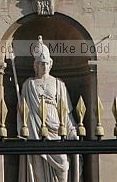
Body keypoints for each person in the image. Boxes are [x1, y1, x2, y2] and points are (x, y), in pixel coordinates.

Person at [18, 37, 80, 182]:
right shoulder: (29, 85)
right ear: (36, 65)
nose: (44, 67)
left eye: (46, 63)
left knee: (63, 165)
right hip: (35, 133)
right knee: (39, 173)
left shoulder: (58, 84)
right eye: (41, 64)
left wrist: (73, 130)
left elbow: (66, 111)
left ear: (51, 64)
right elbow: (22, 112)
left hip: (57, 130)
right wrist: (23, 128)